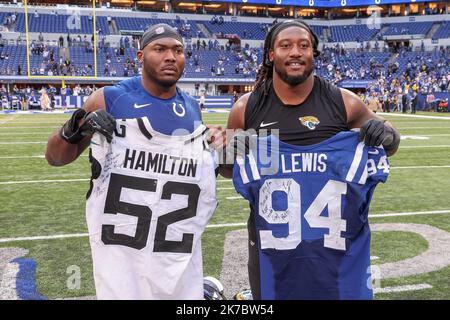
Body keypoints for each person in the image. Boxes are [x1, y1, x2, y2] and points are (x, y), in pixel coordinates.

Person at [220, 20, 400, 300]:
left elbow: (390, 143)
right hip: (271, 244)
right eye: (286, 45)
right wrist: (231, 150)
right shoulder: (246, 108)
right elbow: (227, 170)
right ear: (271, 54)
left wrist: (385, 133)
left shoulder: (343, 101)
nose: (295, 52)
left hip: (334, 243)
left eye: (304, 46)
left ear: (313, 53)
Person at [45, 23, 223, 300]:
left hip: (171, 250)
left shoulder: (191, 107)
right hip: (123, 251)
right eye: (160, 49)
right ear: (140, 57)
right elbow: (54, 158)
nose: (170, 57)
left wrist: (213, 142)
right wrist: (78, 126)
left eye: (177, 50)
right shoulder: (110, 98)